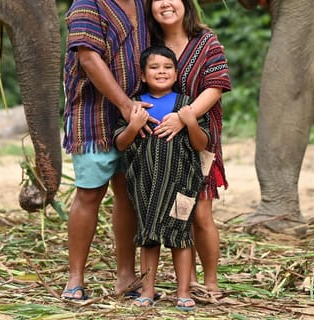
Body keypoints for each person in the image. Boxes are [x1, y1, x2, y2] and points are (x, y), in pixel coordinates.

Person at [61, 0, 156, 300]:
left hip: (136, 116)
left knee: (128, 193)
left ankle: (126, 276)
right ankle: (75, 278)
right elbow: (89, 59)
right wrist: (125, 105)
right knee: (89, 193)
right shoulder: (87, 5)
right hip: (94, 116)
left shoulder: (142, 4)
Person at [114, 46, 212, 311]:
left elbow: (202, 143)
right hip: (144, 185)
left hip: (181, 185)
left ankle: (183, 292)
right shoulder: (135, 105)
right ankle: (147, 290)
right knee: (148, 236)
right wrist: (134, 126)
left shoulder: (186, 104)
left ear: (176, 73)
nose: (161, 72)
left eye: (167, 67)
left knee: (180, 237)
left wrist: (190, 121)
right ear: (143, 75)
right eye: (154, 67)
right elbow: (121, 144)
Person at [145, 0, 232, 297]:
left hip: (200, 139)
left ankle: (210, 282)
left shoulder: (206, 41)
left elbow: (216, 85)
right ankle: (188, 281)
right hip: (161, 147)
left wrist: (187, 117)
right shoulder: (150, 42)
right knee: (177, 211)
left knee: (201, 212)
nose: (166, 4)